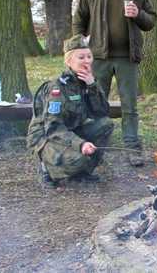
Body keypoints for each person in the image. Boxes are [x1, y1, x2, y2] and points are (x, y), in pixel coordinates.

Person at [72, 0, 157, 167]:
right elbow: (79, 20)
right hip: (98, 57)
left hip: (127, 58)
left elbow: (151, 21)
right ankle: (95, 146)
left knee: (129, 105)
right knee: (94, 101)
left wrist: (138, 14)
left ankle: (132, 147)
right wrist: (78, 49)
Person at [27, 35, 114, 189]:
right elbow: (53, 128)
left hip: (71, 130)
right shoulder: (57, 88)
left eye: (89, 56)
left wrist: (92, 86)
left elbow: (102, 113)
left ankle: (83, 172)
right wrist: (80, 144)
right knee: (78, 160)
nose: (87, 61)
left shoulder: (86, 82)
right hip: (47, 136)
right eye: (81, 57)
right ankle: (48, 168)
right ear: (69, 61)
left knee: (106, 125)